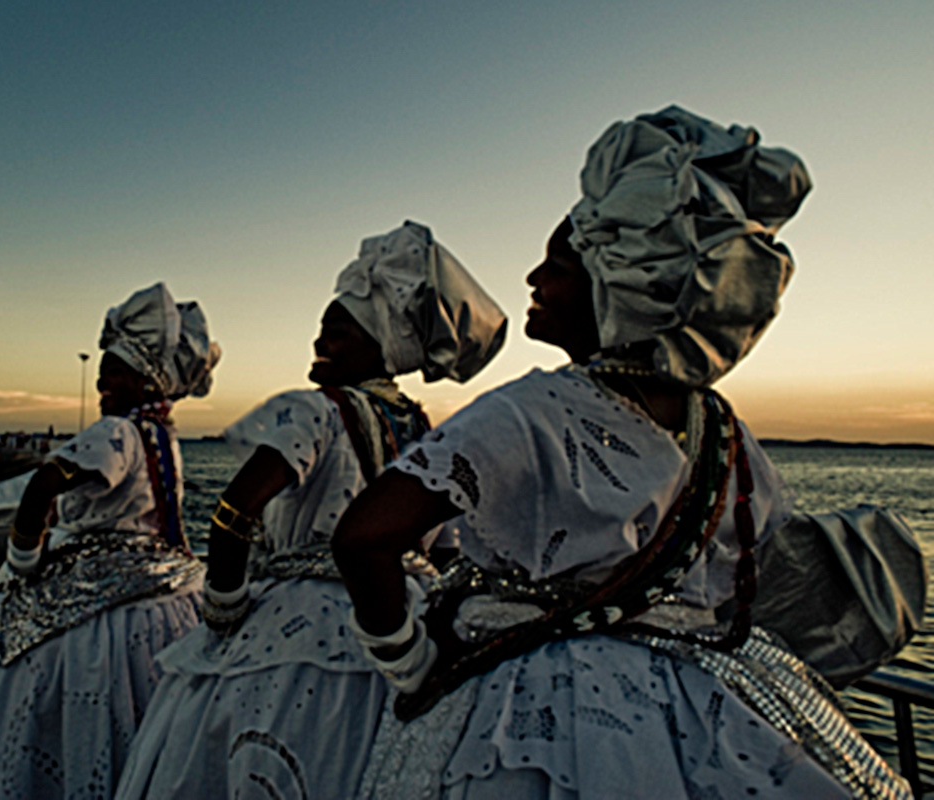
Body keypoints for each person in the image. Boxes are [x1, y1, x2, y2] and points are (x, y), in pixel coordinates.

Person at [332, 107, 910, 799]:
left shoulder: (535, 407)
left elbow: (364, 537)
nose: (532, 278)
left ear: (620, 278)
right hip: (694, 712)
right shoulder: (726, 430)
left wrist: (407, 660)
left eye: (558, 262)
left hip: (523, 708)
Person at [116, 222, 506, 799]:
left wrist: (224, 608)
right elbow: (448, 548)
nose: (318, 344)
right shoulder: (422, 428)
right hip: (401, 621)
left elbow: (232, 513)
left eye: (336, 333)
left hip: (293, 628)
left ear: (382, 344)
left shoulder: (314, 411)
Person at [0, 282, 220, 800]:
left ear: (143, 380)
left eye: (113, 374)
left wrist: (23, 554)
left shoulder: (116, 432)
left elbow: (46, 480)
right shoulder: (164, 438)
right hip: (163, 584)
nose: (103, 384)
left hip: (104, 588)